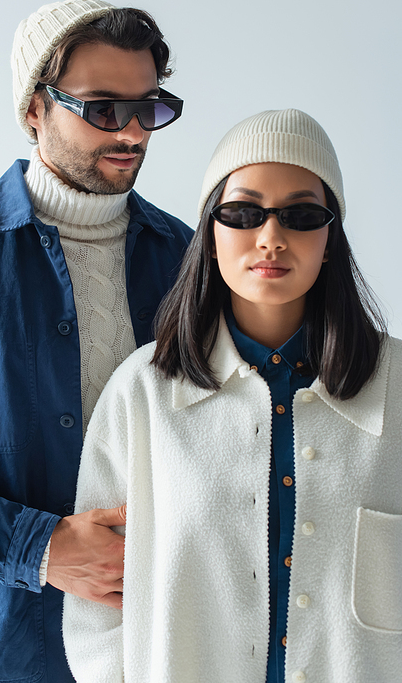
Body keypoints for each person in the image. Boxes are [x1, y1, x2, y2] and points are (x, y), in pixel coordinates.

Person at [0, 0, 193, 683]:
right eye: (101, 108)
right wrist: (39, 546)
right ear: (35, 109)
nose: (131, 132)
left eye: (147, 108)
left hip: (159, 646)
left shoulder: (192, 259)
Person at [63, 109, 402, 683]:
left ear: (330, 238)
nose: (271, 238)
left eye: (301, 215)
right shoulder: (143, 391)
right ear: (210, 235)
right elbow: (99, 608)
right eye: (243, 213)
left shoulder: (395, 384)